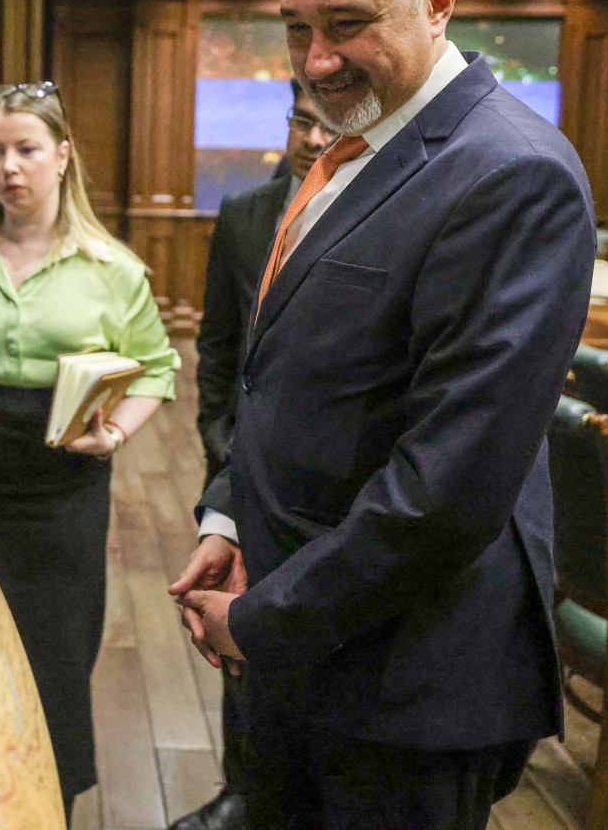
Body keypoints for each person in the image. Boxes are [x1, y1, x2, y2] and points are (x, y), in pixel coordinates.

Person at [171, 0, 595, 830]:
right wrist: (228, 520)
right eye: (294, 26)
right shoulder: (354, 143)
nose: (315, 62)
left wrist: (261, 623)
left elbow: (446, 489)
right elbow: (286, 379)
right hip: (300, 642)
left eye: (348, 23)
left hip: (407, 687)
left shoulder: (511, 176)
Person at [0, 82, 179, 818]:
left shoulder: (111, 268)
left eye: (25, 149)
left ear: (61, 157)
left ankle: (40, 803)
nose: (8, 167)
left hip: (62, 484)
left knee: (55, 656)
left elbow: (157, 368)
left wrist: (115, 433)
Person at [171, 81, 332, 830]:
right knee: (230, 617)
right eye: (301, 119)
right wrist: (221, 449)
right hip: (237, 467)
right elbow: (216, 349)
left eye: (325, 123)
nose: (310, 136)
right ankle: (243, 788)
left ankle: (292, 788)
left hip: (319, 474)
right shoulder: (242, 217)